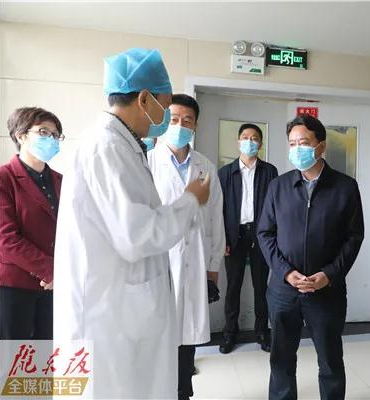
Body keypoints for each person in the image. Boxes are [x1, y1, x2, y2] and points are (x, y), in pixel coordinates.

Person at [53, 48, 211, 399]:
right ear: (144, 99)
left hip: (124, 308)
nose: (166, 120)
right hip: (108, 315)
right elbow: (137, 235)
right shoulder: (106, 147)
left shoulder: (124, 145)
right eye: (165, 107)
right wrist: (190, 200)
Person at [258, 115, 364, 400]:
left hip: (326, 291)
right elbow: (265, 233)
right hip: (283, 290)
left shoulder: (345, 187)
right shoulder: (278, 186)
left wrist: (329, 274)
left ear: (321, 146)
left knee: (330, 360)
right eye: (292, 143)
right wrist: (286, 272)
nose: (297, 149)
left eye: (303, 142)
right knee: (281, 359)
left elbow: (354, 237)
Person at [148, 93, 225, 400]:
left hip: (195, 261)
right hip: (159, 262)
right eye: (174, 119)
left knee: (187, 335)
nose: (180, 125)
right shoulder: (147, 162)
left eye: (187, 120)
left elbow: (215, 219)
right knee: (159, 335)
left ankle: (182, 392)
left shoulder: (205, 167)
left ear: (195, 126)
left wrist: (213, 266)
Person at [0, 107, 64, 340]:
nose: (51, 139)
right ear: (21, 136)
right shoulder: (3, 178)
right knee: (15, 357)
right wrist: (50, 270)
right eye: (43, 132)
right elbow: (6, 239)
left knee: (47, 355)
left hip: (55, 286)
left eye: (56, 135)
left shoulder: (61, 181)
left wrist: (62, 272)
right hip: (15, 286)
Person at [218, 123, 278, 354]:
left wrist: (273, 236)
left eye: (254, 138)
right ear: (238, 142)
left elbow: (275, 207)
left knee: (261, 286)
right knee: (233, 286)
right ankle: (229, 333)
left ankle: (262, 332)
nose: (249, 141)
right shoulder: (225, 173)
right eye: (245, 137)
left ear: (260, 144)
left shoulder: (269, 171)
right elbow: (219, 209)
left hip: (261, 235)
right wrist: (222, 239)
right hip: (234, 234)